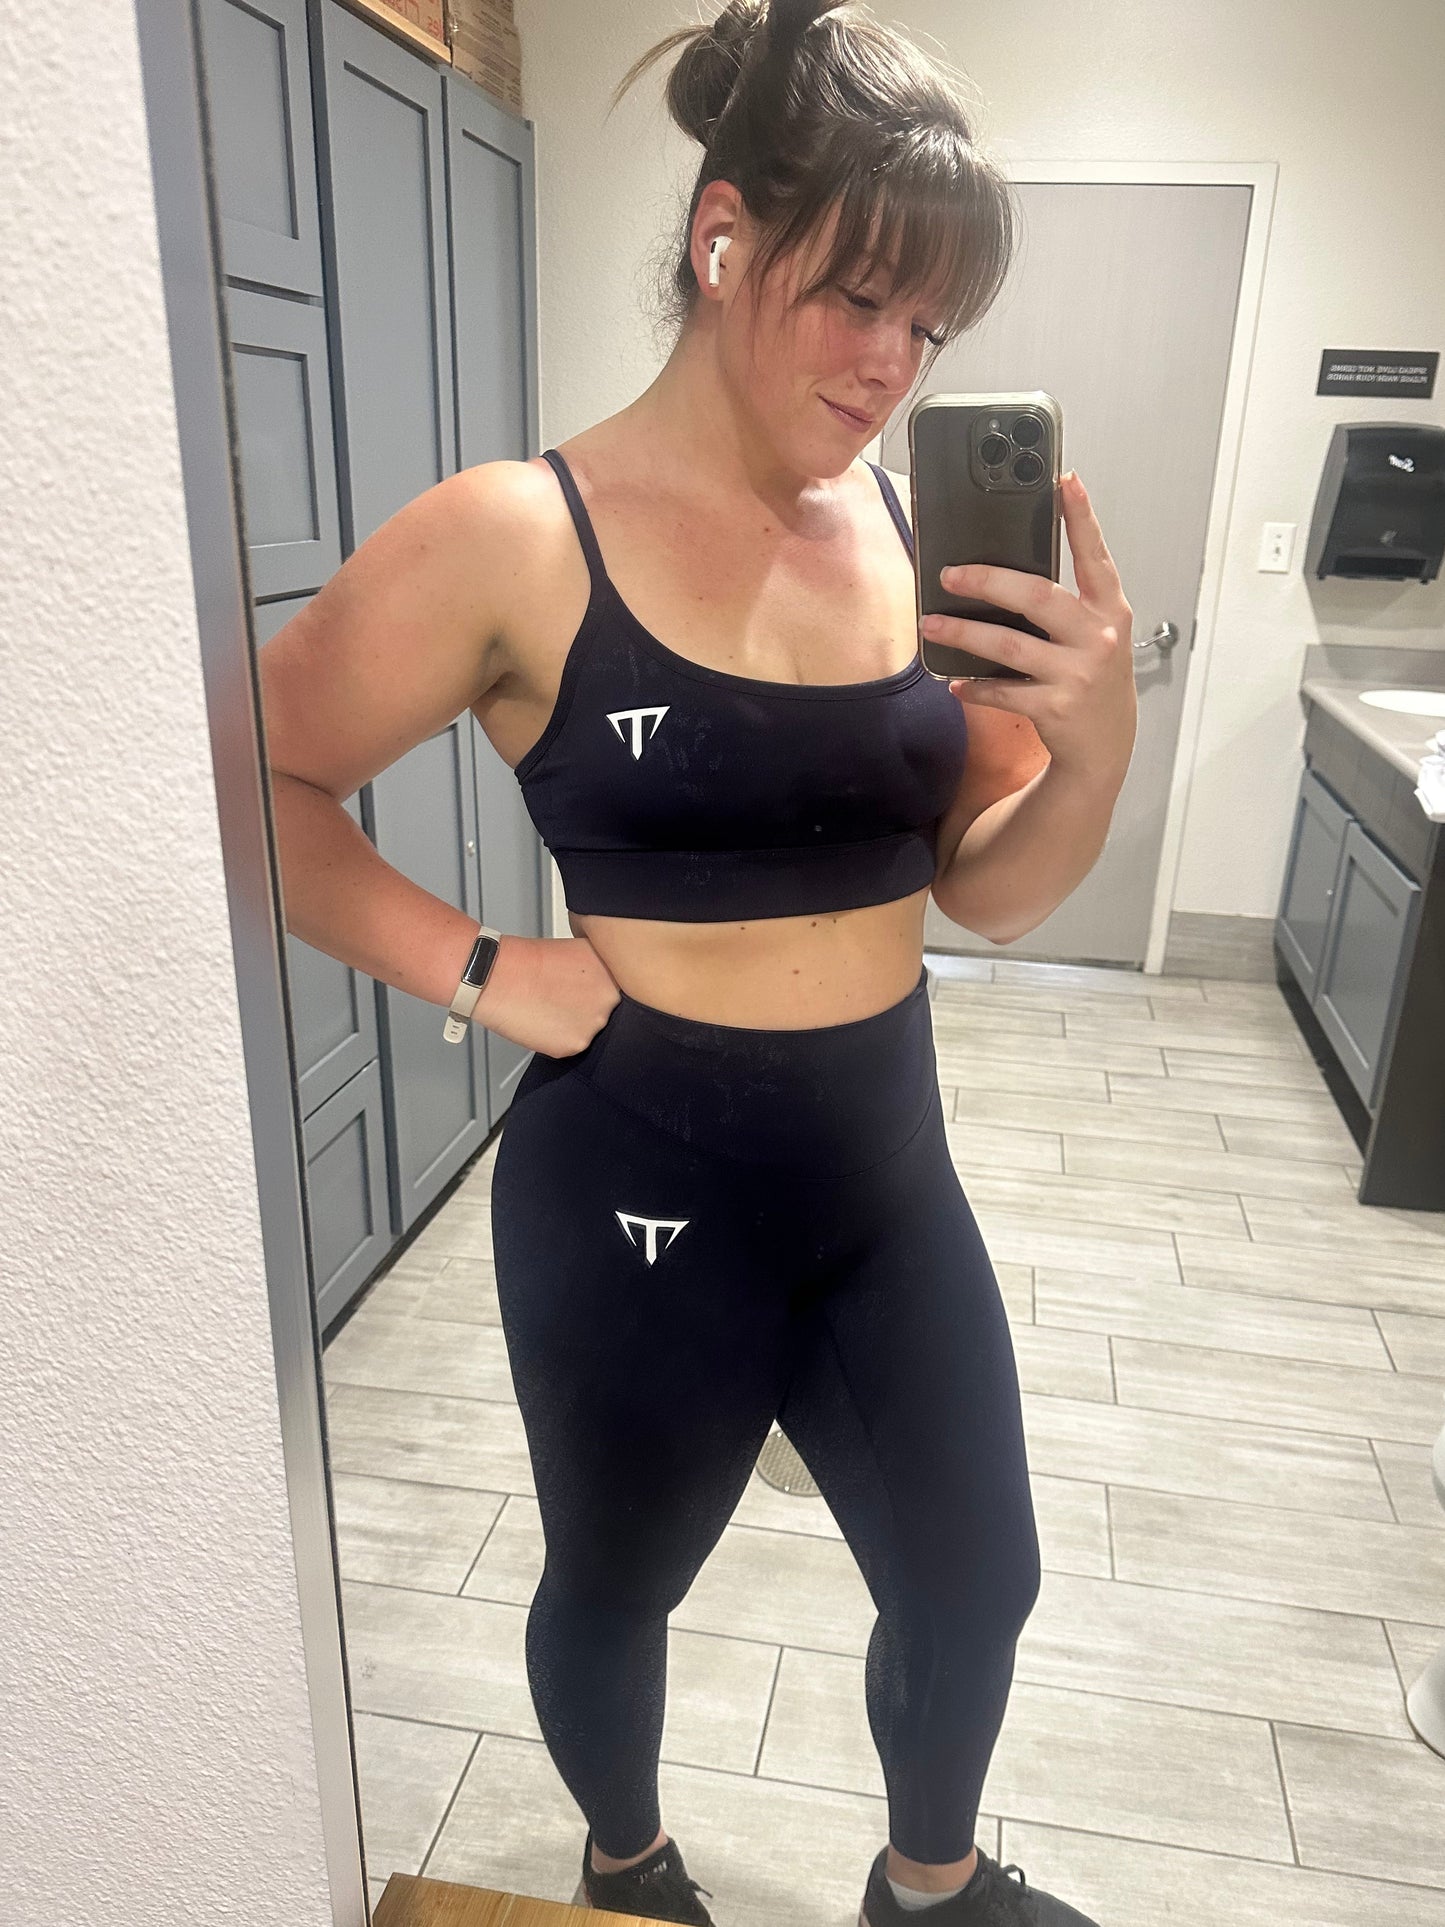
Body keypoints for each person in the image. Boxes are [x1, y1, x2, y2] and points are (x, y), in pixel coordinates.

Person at [263, 2, 1136, 1921]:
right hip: (636, 1177)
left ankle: (928, 1888)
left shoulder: (909, 531)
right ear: (726, 236)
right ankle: (628, 1862)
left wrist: (1099, 747)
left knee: (976, 1573)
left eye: (930, 327)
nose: (891, 365)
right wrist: (480, 966)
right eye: (860, 299)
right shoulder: (516, 534)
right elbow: (258, 784)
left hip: (883, 1168)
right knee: (617, 1579)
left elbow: (989, 893)